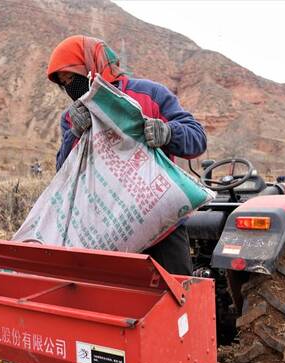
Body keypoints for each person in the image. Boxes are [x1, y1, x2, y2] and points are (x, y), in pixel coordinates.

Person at [46, 35, 207, 275]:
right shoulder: (72, 117)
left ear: (93, 66)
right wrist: (75, 133)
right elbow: (65, 172)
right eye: (64, 82)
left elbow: (197, 139)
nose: (70, 86)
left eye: (72, 77)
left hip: (162, 226)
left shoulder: (150, 95)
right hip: (108, 231)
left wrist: (168, 132)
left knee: (176, 300)